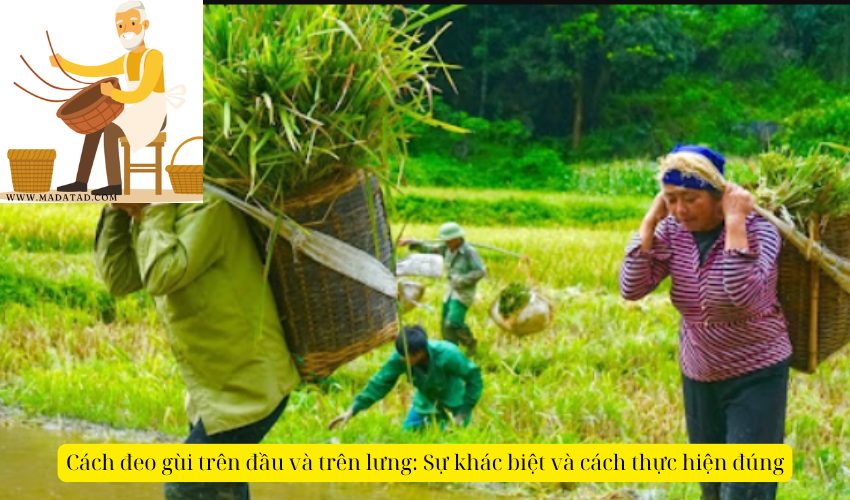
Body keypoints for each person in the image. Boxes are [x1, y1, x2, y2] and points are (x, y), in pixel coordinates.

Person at [94, 198, 300, 500]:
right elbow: (120, 279)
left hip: (250, 389)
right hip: (213, 395)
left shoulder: (207, 208)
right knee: (224, 492)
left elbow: (162, 274)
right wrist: (115, 211)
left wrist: (154, 206)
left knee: (183, 488)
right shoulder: (155, 220)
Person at [619, 144, 793, 500]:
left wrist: (734, 224)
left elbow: (742, 295)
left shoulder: (761, 231)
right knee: (712, 489)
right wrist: (650, 223)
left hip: (756, 371)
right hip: (700, 372)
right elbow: (631, 288)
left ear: (719, 196)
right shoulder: (672, 231)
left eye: (690, 198)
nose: (679, 210)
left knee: (745, 490)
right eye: (670, 199)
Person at [53, 1, 176, 195]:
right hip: (136, 113)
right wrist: (63, 64)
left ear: (145, 25)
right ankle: (80, 182)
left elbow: (140, 94)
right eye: (120, 25)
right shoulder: (126, 59)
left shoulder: (154, 57)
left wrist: (112, 94)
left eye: (132, 23)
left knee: (110, 130)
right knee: (95, 128)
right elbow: (94, 70)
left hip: (154, 115)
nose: (125, 29)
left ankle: (115, 186)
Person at [328, 325, 483, 432]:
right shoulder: (402, 357)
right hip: (425, 403)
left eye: (407, 356)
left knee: (448, 441)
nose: (401, 359)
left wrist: (464, 411)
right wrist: (354, 409)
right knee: (407, 434)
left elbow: (474, 377)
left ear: (420, 353)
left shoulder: (448, 354)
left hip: (454, 403)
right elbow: (381, 381)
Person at [399, 222, 486, 354]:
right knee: (445, 324)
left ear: (457, 239)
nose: (446, 243)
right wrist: (413, 243)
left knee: (453, 322)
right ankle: (451, 349)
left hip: (462, 293)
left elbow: (480, 272)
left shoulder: (469, 252)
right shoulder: (446, 249)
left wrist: (462, 280)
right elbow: (431, 250)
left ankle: (470, 342)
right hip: (450, 292)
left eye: (448, 240)